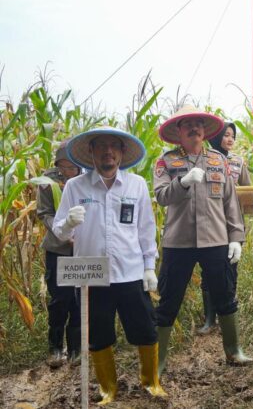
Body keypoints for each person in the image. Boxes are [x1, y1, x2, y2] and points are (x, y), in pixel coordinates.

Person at [52, 126, 166, 404]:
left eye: (113, 146)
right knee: (99, 335)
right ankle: (107, 389)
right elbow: (58, 231)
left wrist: (149, 266)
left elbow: (145, 228)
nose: (107, 151)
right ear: (90, 152)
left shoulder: (136, 185)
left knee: (145, 330)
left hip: (129, 272)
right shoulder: (75, 187)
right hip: (92, 275)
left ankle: (151, 383)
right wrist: (68, 223)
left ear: (122, 152)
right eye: (101, 146)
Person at [153, 105, 253, 375]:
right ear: (179, 131)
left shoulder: (218, 160)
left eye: (198, 123)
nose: (194, 128)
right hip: (178, 242)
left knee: (225, 296)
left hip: (215, 240)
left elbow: (231, 202)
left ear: (204, 130)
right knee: (168, 299)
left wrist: (236, 238)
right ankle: (158, 360)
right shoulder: (166, 161)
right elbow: (161, 196)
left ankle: (234, 351)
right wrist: (183, 182)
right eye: (188, 124)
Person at [196, 121, 251, 335]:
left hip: (233, 224)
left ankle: (226, 315)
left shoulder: (238, 162)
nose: (230, 139)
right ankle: (209, 318)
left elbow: (248, 190)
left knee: (230, 270)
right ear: (216, 136)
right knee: (209, 271)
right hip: (211, 224)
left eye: (232, 136)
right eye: (226, 135)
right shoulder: (205, 158)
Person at [36, 140, 82, 368]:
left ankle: (75, 350)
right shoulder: (48, 180)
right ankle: (55, 348)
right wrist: (64, 232)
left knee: (79, 299)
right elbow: (44, 213)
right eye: (63, 166)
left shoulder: (88, 178)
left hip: (83, 250)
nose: (68, 171)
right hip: (58, 249)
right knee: (60, 299)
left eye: (72, 166)